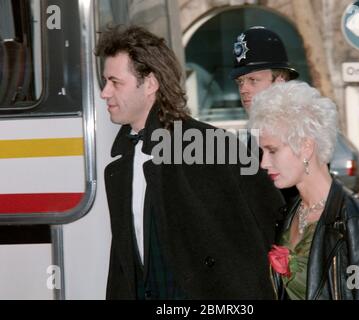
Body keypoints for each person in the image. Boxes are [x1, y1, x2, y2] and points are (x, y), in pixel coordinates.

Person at [95, 25, 285, 299]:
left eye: (115, 82)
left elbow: (269, 233)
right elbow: (124, 266)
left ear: (150, 83)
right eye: (105, 81)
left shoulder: (213, 146)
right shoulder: (118, 167)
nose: (104, 92)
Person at [248, 80, 359, 300]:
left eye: (272, 150)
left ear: (306, 146)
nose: (263, 162)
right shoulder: (287, 214)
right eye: (262, 151)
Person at [230, 26, 299, 204]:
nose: (243, 89)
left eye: (253, 80)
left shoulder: (299, 129)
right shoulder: (257, 130)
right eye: (240, 82)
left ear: (279, 82)